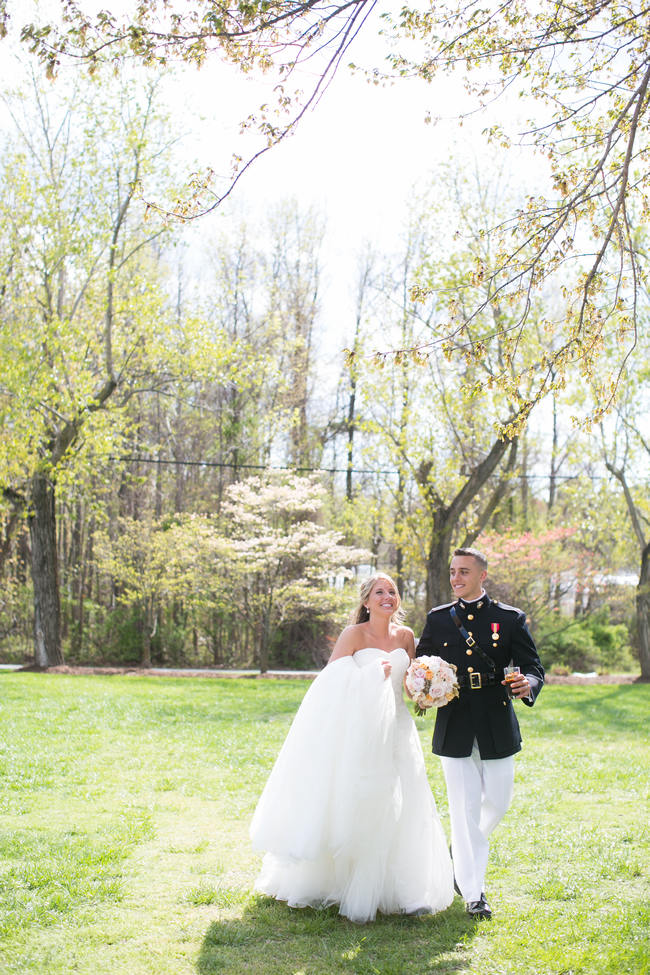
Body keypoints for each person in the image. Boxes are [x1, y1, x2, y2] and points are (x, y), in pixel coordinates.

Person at [250, 573, 454, 923]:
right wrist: (372, 672)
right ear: (366, 601)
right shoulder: (353, 636)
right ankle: (345, 883)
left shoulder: (406, 637)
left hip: (398, 730)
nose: (387, 597)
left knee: (405, 799)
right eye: (379, 592)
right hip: (359, 731)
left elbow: (408, 687)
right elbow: (330, 685)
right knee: (361, 798)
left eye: (392, 592)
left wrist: (428, 686)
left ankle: (403, 889)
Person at [417, 547, 544, 920]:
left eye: (464, 572)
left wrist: (528, 684)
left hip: (495, 717)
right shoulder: (439, 619)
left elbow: (534, 666)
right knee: (463, 807)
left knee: (499, 801)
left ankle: (462, 850)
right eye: (453, 572)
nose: (456, 579)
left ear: (482, 576)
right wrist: (424, 687)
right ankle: (474, 893)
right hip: (455, 721)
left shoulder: (508, 618)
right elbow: (423, 663)